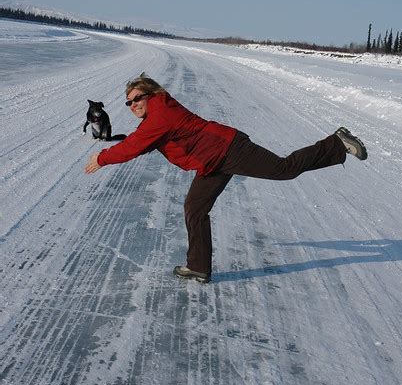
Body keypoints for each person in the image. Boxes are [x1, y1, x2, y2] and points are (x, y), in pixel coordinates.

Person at [85, 73, 367, 283]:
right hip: (212, 162)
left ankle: (337, 143)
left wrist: (102, 157)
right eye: (128, 102)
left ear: (149, 94)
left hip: (228, 150)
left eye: (136, 98)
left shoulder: (160, 114)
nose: (132, 105)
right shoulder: (157, 115)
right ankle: (198, 267)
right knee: (194, 208)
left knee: (284, 169)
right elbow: (143, 141)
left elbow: (133, 146)